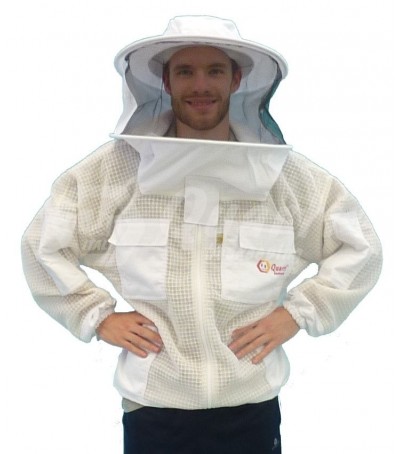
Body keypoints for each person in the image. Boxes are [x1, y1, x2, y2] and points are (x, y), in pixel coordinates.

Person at [21, 15, 382, 453]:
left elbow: (360, 247)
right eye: (185, 71)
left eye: (214, 70)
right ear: (166, 81)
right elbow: (42, 245)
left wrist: (298, 313)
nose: (200, 85)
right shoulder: (118, 169)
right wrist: (97, 316)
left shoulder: (282, 176)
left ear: (236, 79)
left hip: (250, 405)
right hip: (153, 406)